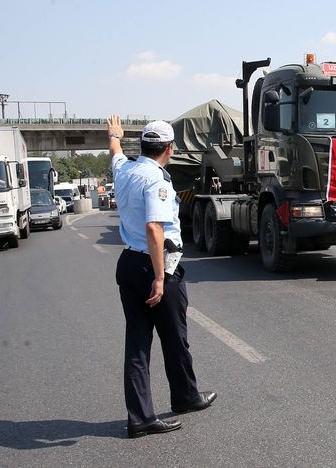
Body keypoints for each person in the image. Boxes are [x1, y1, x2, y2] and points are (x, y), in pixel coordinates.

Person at [107, 114, 216, 439]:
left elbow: (115, 153)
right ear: (169, 149)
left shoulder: (125, 170)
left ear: (142, 146)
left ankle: (140, 417)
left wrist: (114, 135)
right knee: (174, 337)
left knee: (137, 344)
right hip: (156, 265)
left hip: (129, 262)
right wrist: (159, 277)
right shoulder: (156, 180)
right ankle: (184, 398)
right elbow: (154, 227)